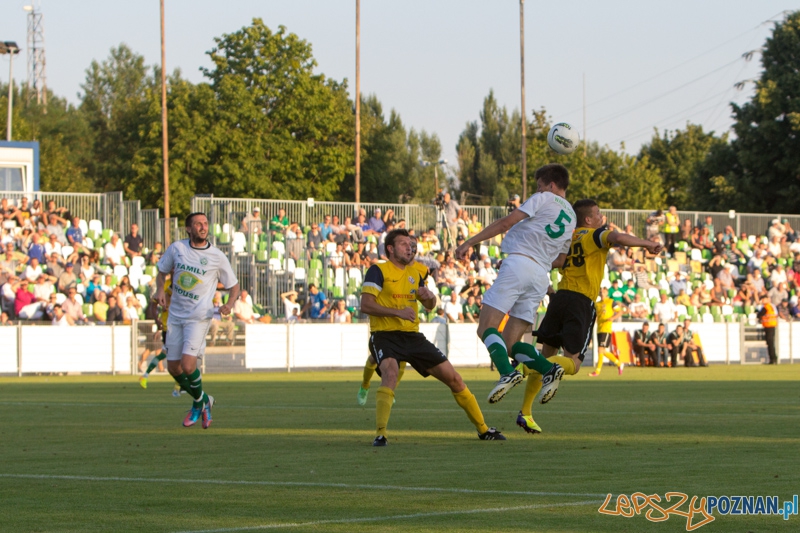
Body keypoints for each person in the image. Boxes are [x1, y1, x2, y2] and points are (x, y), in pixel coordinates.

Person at [515, 199, 661, 434]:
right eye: (598, 213)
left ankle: (526, 412)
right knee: (573, 364)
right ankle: (526, 367)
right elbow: (618, 238)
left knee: (548, 353)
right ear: (588, 219)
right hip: (580, 302)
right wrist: (647, 244)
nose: (601, 217)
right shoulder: (595, 235)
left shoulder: (566, 238)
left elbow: (551, 262)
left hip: (559, 298)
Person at [360, 228, 505, 445]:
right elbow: (365, 304)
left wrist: (429, 298)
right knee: (389, 374)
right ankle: (381, 434)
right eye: (403, 244)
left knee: (454, 378)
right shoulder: (378, 270)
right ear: (390, 249)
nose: (409, 248)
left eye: (410, 245)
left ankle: (484, 430)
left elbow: (429, 305)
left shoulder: (418, 272)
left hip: (412, 336)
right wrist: (398, 312)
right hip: (384, 334)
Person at [454, 164, 577, 405]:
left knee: (485, 327)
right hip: (541, 275)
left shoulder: (543, 198)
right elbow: (561, 260)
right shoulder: (572, 216)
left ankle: (507, 373)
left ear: (551, 185)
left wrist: (469, 242)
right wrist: (529, 259)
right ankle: (549, 370)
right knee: (511, 344)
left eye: (540, 185)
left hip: (520, 266)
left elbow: (504, 224)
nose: (538, 189)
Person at [155, 212, 240, 429]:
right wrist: (160, 291)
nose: (202, 227)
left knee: (187, 363)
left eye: (205, 223)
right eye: (197, 224)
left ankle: (198, 404)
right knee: (173, 368)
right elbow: (161, 272)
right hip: (175, 315)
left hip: (199, 317)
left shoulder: (216, 256)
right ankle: (204, 400)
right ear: (188, 229)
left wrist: (229, 304)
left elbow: (234, 286)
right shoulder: (177, 248)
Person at [588, 287, 624, 377]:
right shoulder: (597, 304)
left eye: (604, 292)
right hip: (599, 329)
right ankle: (619, 364)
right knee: (602, 350)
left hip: (606, 329)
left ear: (607, 293)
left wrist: (613, 318)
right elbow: (595, 316)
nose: (602, 293)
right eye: (601, 292)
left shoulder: (611, 302)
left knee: (600, 349)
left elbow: (620, 311)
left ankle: (597, 371)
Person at [757, 295, 778, 364]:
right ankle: (773, 358)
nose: (762, 301)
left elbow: (759, 314)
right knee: (771, 343)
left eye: (763, 299)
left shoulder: (766, 307)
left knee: (770, 343)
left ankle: (773, 359)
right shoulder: (772, 306)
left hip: (768, 326)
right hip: (772, 325)